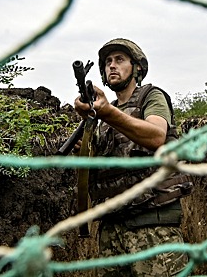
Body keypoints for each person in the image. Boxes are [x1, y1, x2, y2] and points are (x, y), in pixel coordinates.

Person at [74, 38, 193, 277]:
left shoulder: (151, 96)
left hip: (152, 225)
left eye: (120, 60)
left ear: (137, 68)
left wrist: (107, 112)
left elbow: (156, 136)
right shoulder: (103, 119)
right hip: (112, 228)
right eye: (107, 62)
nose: (112, 66)